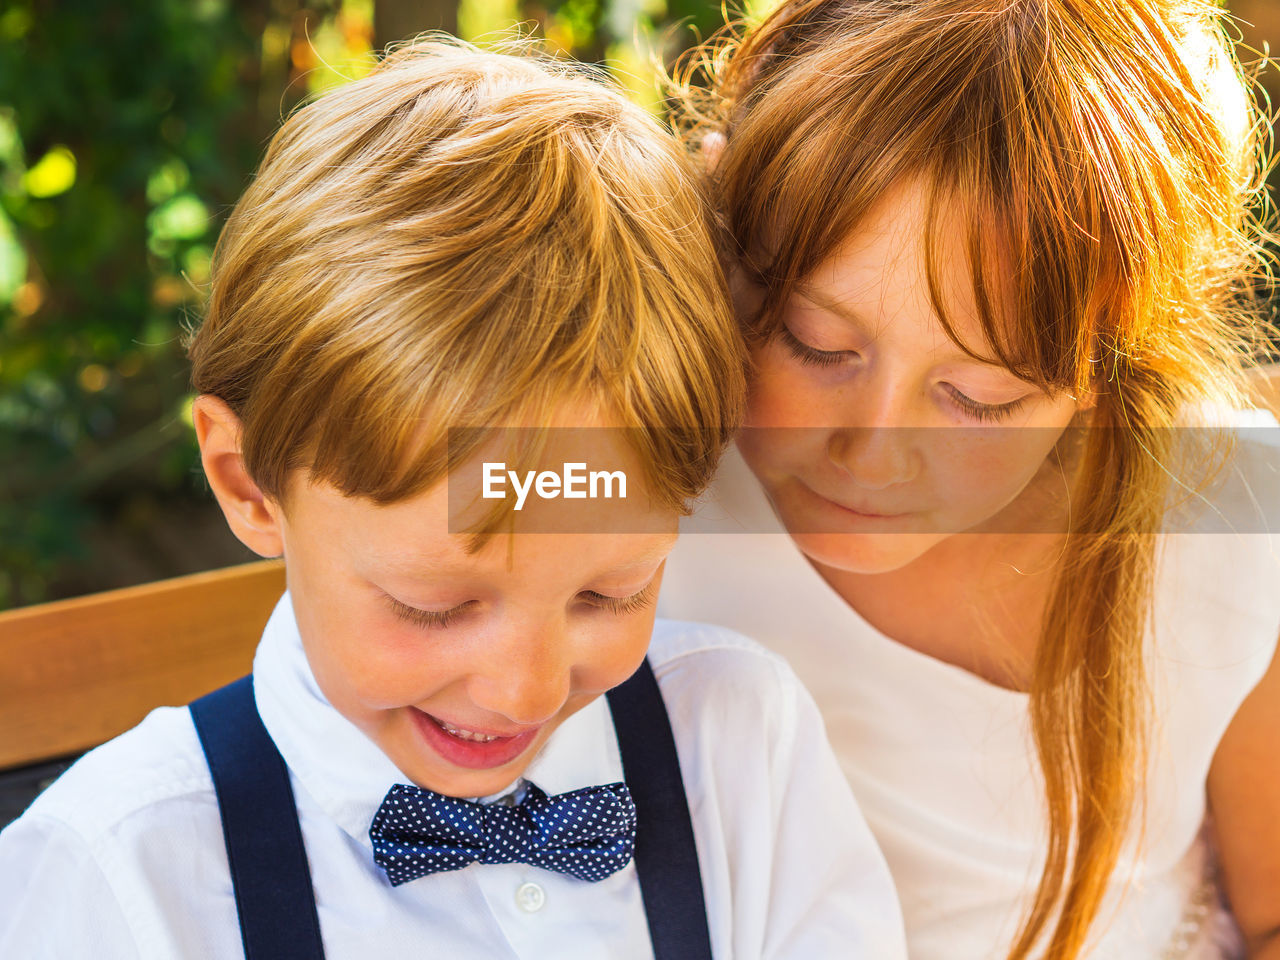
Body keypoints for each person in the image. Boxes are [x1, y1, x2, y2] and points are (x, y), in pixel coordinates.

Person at [0, 40, 908, 959]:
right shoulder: (117, 877)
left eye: (611, 593)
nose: (528, 689)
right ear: (250, 486)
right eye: (433, 606)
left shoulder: (740, 747)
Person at [658, 1, 1280, 958]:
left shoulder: (1229, 533)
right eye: (812, 343)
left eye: (979, 397)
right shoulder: (636, 502)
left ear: (1105, 380)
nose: (871, 454)